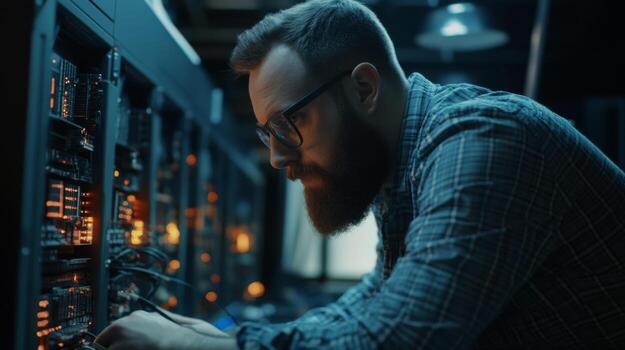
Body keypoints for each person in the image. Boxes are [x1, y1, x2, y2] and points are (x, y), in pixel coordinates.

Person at [96, 0, 625, 348]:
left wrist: (211, 348)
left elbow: (401, 338)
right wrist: (232, 340)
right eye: (267, 133)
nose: (279, 159)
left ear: (364, 88)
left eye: (289, 123)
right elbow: (376, 300)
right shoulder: (400, 169)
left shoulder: (482, 137)